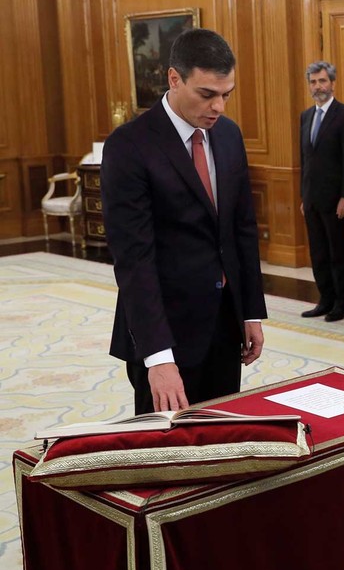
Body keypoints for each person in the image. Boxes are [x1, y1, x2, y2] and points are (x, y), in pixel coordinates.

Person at [101, 28, 267, 414]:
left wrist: (249, 310)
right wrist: (158, 358)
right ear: (174, 79)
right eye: (207, 94)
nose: (219, 107)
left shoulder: (228, 135)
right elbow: (134, 260)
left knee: (220, 438)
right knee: (165, 453)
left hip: (224, 324)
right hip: (164, 332)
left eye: (227, 94)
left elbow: (241, 228)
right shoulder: (129, 146)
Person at [299, 61, 344, 322]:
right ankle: (325, 299)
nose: (318, 87)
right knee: (318, 253)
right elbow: (305, 160)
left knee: (339, 253)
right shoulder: (306, 116)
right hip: (312, 199)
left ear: (332, 83)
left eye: (322, 81)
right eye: (313, 82)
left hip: (336, 199)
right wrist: (304, 196)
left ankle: (342, 303)